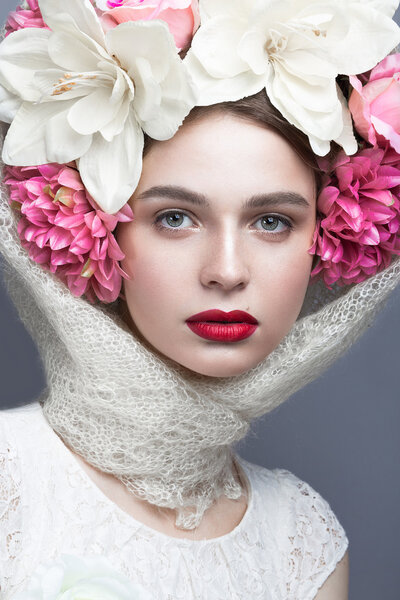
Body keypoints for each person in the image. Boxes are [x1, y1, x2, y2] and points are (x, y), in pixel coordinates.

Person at [0, 1, 399, 599]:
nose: (227, 272)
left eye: (271, 222)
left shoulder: (301, 540)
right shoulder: (11, 479)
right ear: (96, 226)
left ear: (327, 238)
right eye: (176, 217)